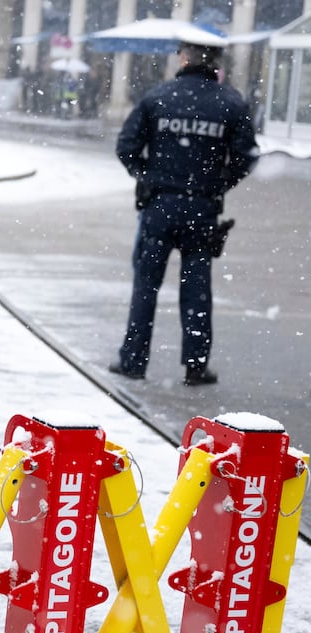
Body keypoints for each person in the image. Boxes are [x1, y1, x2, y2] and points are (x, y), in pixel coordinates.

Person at [110, 30, 257, 386]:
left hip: (159, 205)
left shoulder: (158, 98)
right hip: (202, 209)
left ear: (184, 58)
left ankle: (134, 360)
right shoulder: (230, 103)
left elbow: (126, 146)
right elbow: (246, 156)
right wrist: (217, 183)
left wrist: (148, 176)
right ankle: (195, 365)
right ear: (216, 62)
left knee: (146, 286)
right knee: (196, 289)